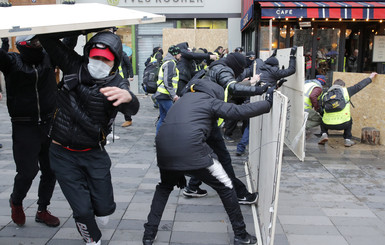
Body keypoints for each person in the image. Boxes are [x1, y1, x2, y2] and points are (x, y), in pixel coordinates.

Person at [143, 78, 275, 245]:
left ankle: (148, 234)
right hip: (192, 150)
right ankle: (241, 235)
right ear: (215, 92)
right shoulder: (210, 101)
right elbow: (239, 111)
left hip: (163, 150)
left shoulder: (182, 101)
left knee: (164, 188)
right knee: (227, 187)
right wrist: (268, 103)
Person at [38, 30, 140, 245]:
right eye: (95, 57)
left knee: (104, 208)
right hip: (61, 153)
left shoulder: (116, 82)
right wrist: (79, 28)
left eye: (105, 59)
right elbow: (49, 39)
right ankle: (92, 239)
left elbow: (133, 106)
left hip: (94, 152)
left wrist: (129, 99)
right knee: (82, 209)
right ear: (87, 55)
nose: (99, 62)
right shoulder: (74, 65)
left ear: (114, 63)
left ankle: (100, 214)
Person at [183, 52, 269, 204]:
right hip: (207, 119)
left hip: (203, 117)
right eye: (241, 68)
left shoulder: (216, 67)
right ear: (236, 65)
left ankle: (192, 187)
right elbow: (233, 88)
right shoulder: (224, 70)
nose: (241, 71)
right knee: (223, 159)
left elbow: (228, 88)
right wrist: (259, 90)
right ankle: (239, 193)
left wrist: (249, 84)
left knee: (208, 156)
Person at [0, 35, 60, 227]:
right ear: (22, 45)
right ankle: (16, 201)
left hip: (49, 123)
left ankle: (42, 209)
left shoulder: (48, 58)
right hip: (24, 125)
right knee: (28, 171)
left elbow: (67, 45)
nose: (38, 46)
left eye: (39, 42)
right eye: (33, 43)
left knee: (51, 170)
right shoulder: (12, 62)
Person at [318, 72, 377, 147]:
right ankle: (347, 140)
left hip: (327, 124)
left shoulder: (325, 94)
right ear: (343, 86)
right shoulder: (346, 91)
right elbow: (359, 86)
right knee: (349, 119)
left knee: (322, 119)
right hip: (343, 124)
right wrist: (370, 77)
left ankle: (324, 134)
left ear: (333, 85)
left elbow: (320, 109)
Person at [154, 45, 181, 135]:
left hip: (162, 95)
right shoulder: (170, 63)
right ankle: (172, 139)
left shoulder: (168, 62)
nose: (180, 55)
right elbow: (167, 81)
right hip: (165, 96)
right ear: (175, 54)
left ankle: (158, 139)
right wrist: (174, 95)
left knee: (163, 118)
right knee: (173, 117)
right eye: (179, 53)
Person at [120, 50, 135, 127]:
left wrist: (131, 76)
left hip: (123, 80)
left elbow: (129, 65)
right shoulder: (112, 55)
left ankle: (128, 119)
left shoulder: (123, 54)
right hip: (113, 79)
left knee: (125, 100)